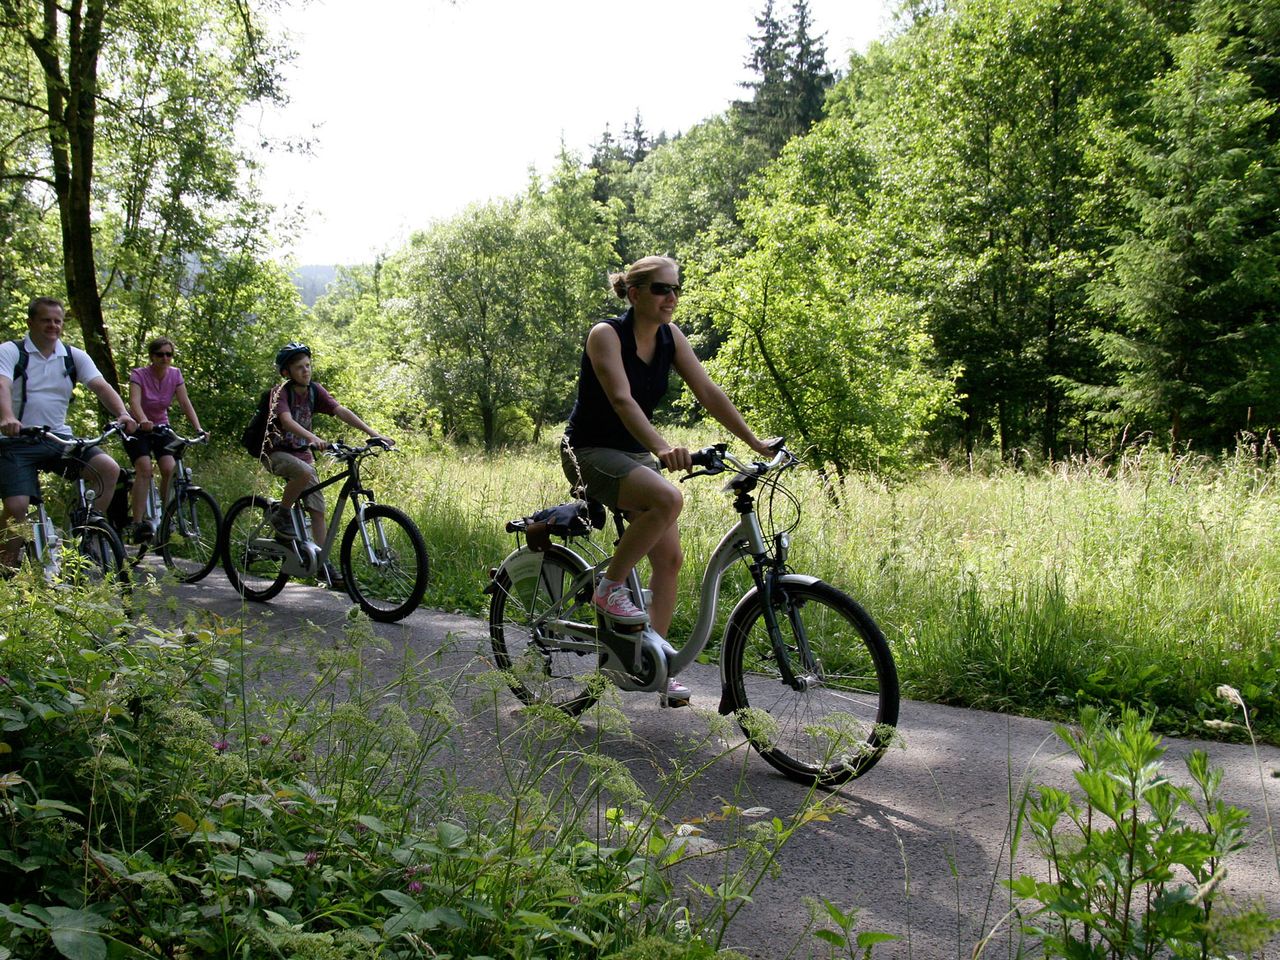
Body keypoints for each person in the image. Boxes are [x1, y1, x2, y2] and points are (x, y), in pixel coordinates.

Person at [561, 256, 777, 703]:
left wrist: (755, 444)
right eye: (661, 289)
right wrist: (662, 448)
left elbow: (708, 391)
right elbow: (621, 400)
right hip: (589, 452)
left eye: (676, 288)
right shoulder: (606, 335)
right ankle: (610, 588)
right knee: (668, 498)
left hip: (635, 454)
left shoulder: (670, 337)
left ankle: (652, 666)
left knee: (670, 561)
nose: (672, 298)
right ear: (635, 293)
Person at [0, 296, 138, 564]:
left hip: (58, 438)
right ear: (30, 322)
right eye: (45, 320)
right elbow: (2, 384)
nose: (52, 326)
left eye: (57, 321)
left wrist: (122, 413)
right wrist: (7, 417)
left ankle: (83, 536)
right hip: (15, 441)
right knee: (17, 507)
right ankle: (7, 555)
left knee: (108, 469)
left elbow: (101, 386)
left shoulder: (73, 356)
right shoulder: (11, 351)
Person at [263, 342, 387, 588]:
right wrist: (312, 438)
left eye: (308, 366)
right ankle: (282, 515)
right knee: (305, 471)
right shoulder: (280, 393)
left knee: (318, 509)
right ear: (286, 372)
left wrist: (374, 433)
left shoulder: (314, 391)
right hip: (275, 452)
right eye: (299, 368)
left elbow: (340, 410)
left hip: (301, 454)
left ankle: (322, 564)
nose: (306, 371)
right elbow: (286, 421)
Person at [123, 336, 206, 543]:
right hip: (138, 427)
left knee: (169, 468)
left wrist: (199, 429)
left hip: (161, 426)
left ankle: (165, 515)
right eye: (160, 354)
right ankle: (138, 523)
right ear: (152, 356)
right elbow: (134, 401)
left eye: (169, 354)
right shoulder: (139, 374)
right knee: (145, 469)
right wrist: (142, 420)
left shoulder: (175, 374)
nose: (165, 358)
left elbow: (185, 402)